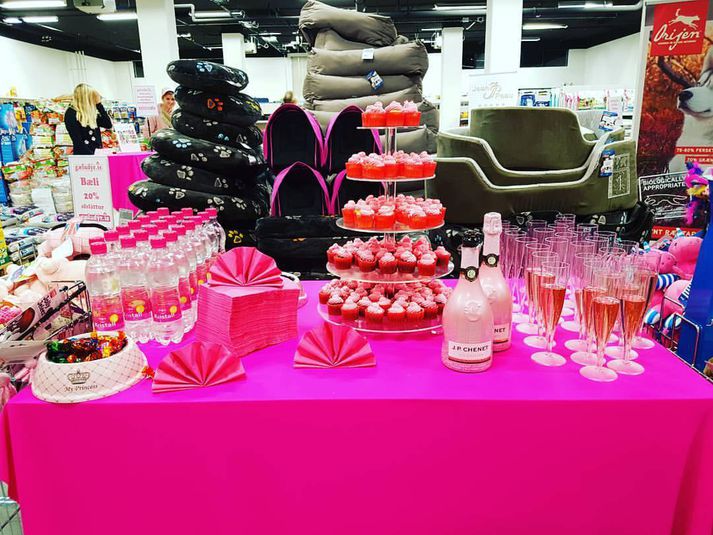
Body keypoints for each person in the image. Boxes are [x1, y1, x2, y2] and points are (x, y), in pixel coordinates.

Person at [64, 83, 112, 155]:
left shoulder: (91, 112)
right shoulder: (71, 113)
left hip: (97, 154)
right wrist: (91, 156)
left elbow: (108, 124)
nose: (94, 99)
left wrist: (99, 105)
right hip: (84, 156)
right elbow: (77, 139)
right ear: (86, 98)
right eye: (92, 96)